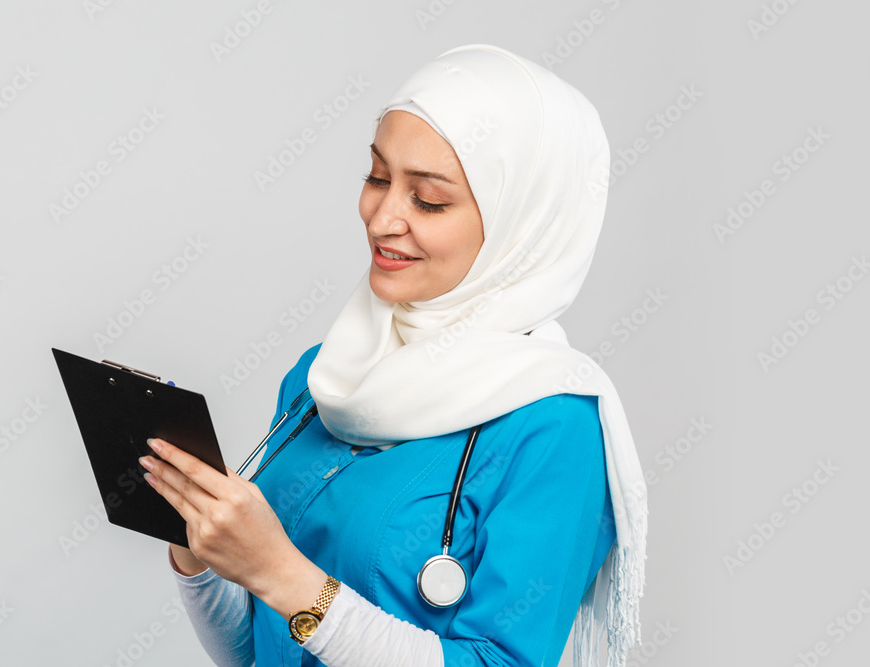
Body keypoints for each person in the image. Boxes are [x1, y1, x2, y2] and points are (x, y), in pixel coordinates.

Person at [137, 44, 648, 666]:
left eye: (428, 199)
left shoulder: (554, 427)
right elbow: (255, 652)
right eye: (377, 178)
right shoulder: (324, 376)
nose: (382, 219)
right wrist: (199, 550)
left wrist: (283, 576)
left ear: (522, 226)